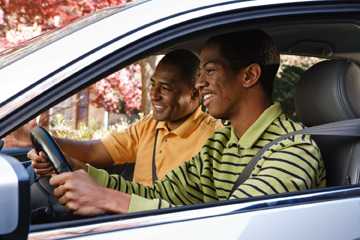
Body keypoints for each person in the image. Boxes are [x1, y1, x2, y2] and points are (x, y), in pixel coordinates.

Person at [48, 29, 326, 216]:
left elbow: (233, 226)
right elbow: (161, 194)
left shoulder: (293, 151)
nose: (200, 83)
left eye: (210, 70)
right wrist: (84, 172)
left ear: (249, 76)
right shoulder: (222, 142)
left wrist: (106, 199)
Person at [29, 49, 221, 186]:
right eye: (153, 84)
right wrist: (46, 143)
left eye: (165, 88)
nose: (154, 95)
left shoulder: (213, 138)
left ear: (195, 94)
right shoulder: (149, 125)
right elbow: (95, 151)